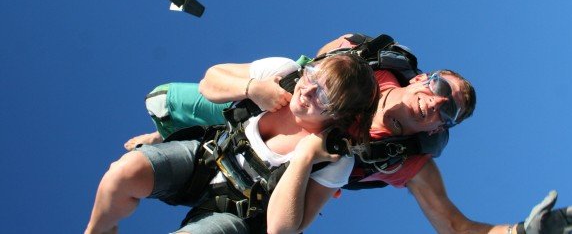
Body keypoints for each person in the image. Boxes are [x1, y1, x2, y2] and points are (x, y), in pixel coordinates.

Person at [125, 33, 572, 233]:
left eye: (447, 113)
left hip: (284, 180)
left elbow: (455, 227)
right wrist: (254, 89)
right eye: (439, 88)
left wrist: (521, 231)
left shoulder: (405, 159)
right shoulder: (363, 58)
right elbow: (299, 80)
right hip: (261, 119)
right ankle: (178, 140)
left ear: (440, 128)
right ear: (421, 78)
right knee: (159, 100)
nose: (437, 102)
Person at [85, 54, 379, 234]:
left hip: (240, 214)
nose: (308, 90)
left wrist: (303, 159)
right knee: (122, 173)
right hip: (208, 159)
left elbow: (281, 228)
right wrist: (252, 88)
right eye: (313, 75)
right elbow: (209, 80)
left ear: (340, 115)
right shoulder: (285, 74)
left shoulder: (334, 158)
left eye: (324, 96)